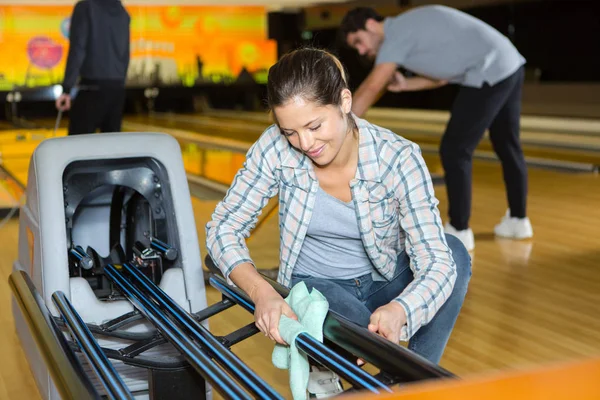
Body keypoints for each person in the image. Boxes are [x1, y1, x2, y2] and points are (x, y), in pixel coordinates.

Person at [205, 48, 471, 379]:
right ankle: (390, 378)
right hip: (318, 286)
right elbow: (223, 229)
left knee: (455, 254)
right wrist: (263, 293)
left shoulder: (398, 157)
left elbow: (437, 261)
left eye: (315, 125)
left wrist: (402, 308)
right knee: (356, 334)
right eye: (290, 131)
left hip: (381, 281)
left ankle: (411, 384)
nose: (304, 142)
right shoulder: (274, 148)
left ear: (345, 102)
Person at [340, 5, 534, 251]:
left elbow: (371, 86)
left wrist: (341, 129)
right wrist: (406, 85)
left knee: (455, 150)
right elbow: (441, 77)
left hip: (489, 68)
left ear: (369, 25)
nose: (362, 50)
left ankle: (459, 230)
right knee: (507, 143)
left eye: (359, 41)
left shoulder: (396, 33)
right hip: (509, 63)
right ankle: (518, 221)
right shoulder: (409, 31)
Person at [55, 0, 130, 135]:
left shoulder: (85, 8)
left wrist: (67, 88)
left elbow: (78, 50)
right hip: (117, 90)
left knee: (78, 147)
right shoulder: (123, 13)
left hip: (92, 89)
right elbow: (125, 55)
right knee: (111, 150)